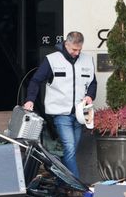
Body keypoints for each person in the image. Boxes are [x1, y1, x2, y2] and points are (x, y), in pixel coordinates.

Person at [23, 31, 97, 179]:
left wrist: (90, 95)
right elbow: (36, 81)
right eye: (73, 50)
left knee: (70, 152)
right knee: (69, 149)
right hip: (61, 114)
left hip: (80, 114)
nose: (76, 53)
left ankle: (61, 183)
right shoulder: (52, 60)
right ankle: (77, 186)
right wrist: (30, 99)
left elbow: (93, 83)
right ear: (66, 44)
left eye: (79, 50)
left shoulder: (88, 60)